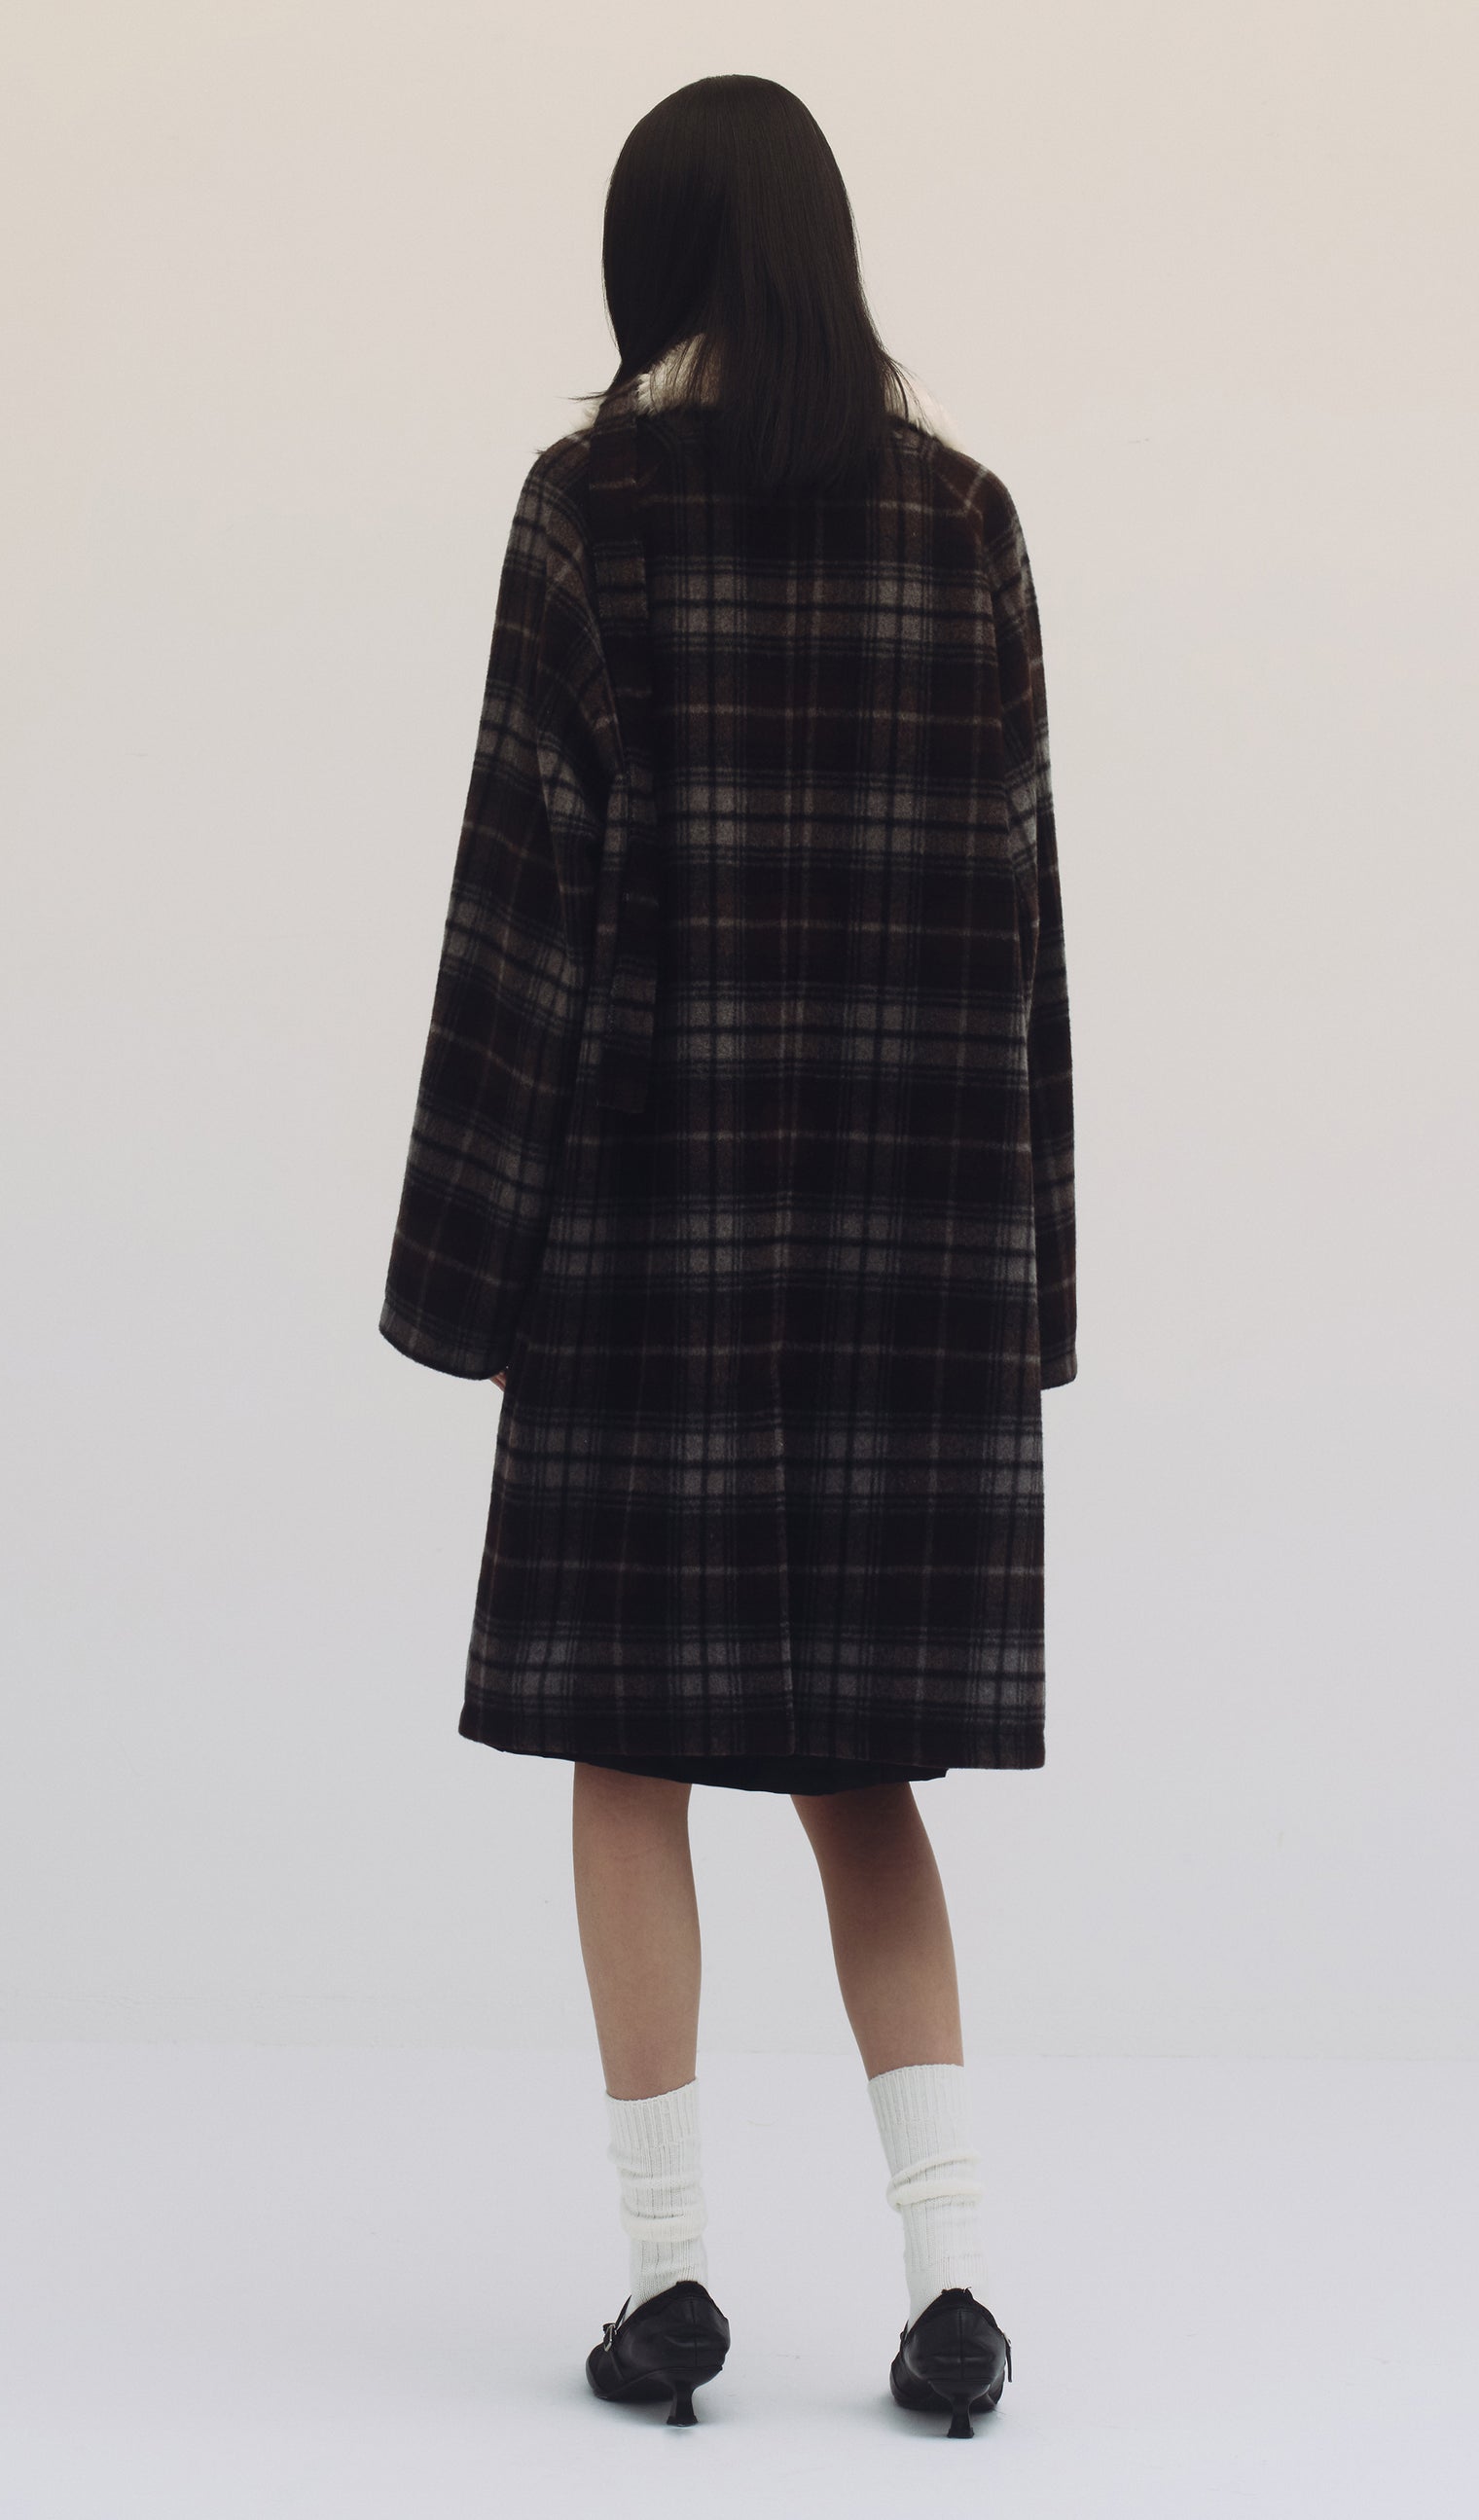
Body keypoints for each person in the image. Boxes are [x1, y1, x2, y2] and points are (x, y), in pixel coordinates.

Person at [379, 73, 1074, 2438]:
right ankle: (953, 2281)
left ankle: (668, 2279)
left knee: (627, 1755)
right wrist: (1029, 1283)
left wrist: (466, 1275)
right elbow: (1024, 933)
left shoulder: (589, 513)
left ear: (651, 258)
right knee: (865, 1778)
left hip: (644, 1233)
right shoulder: (962, 521)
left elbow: (519, 910)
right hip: (902, 1262)